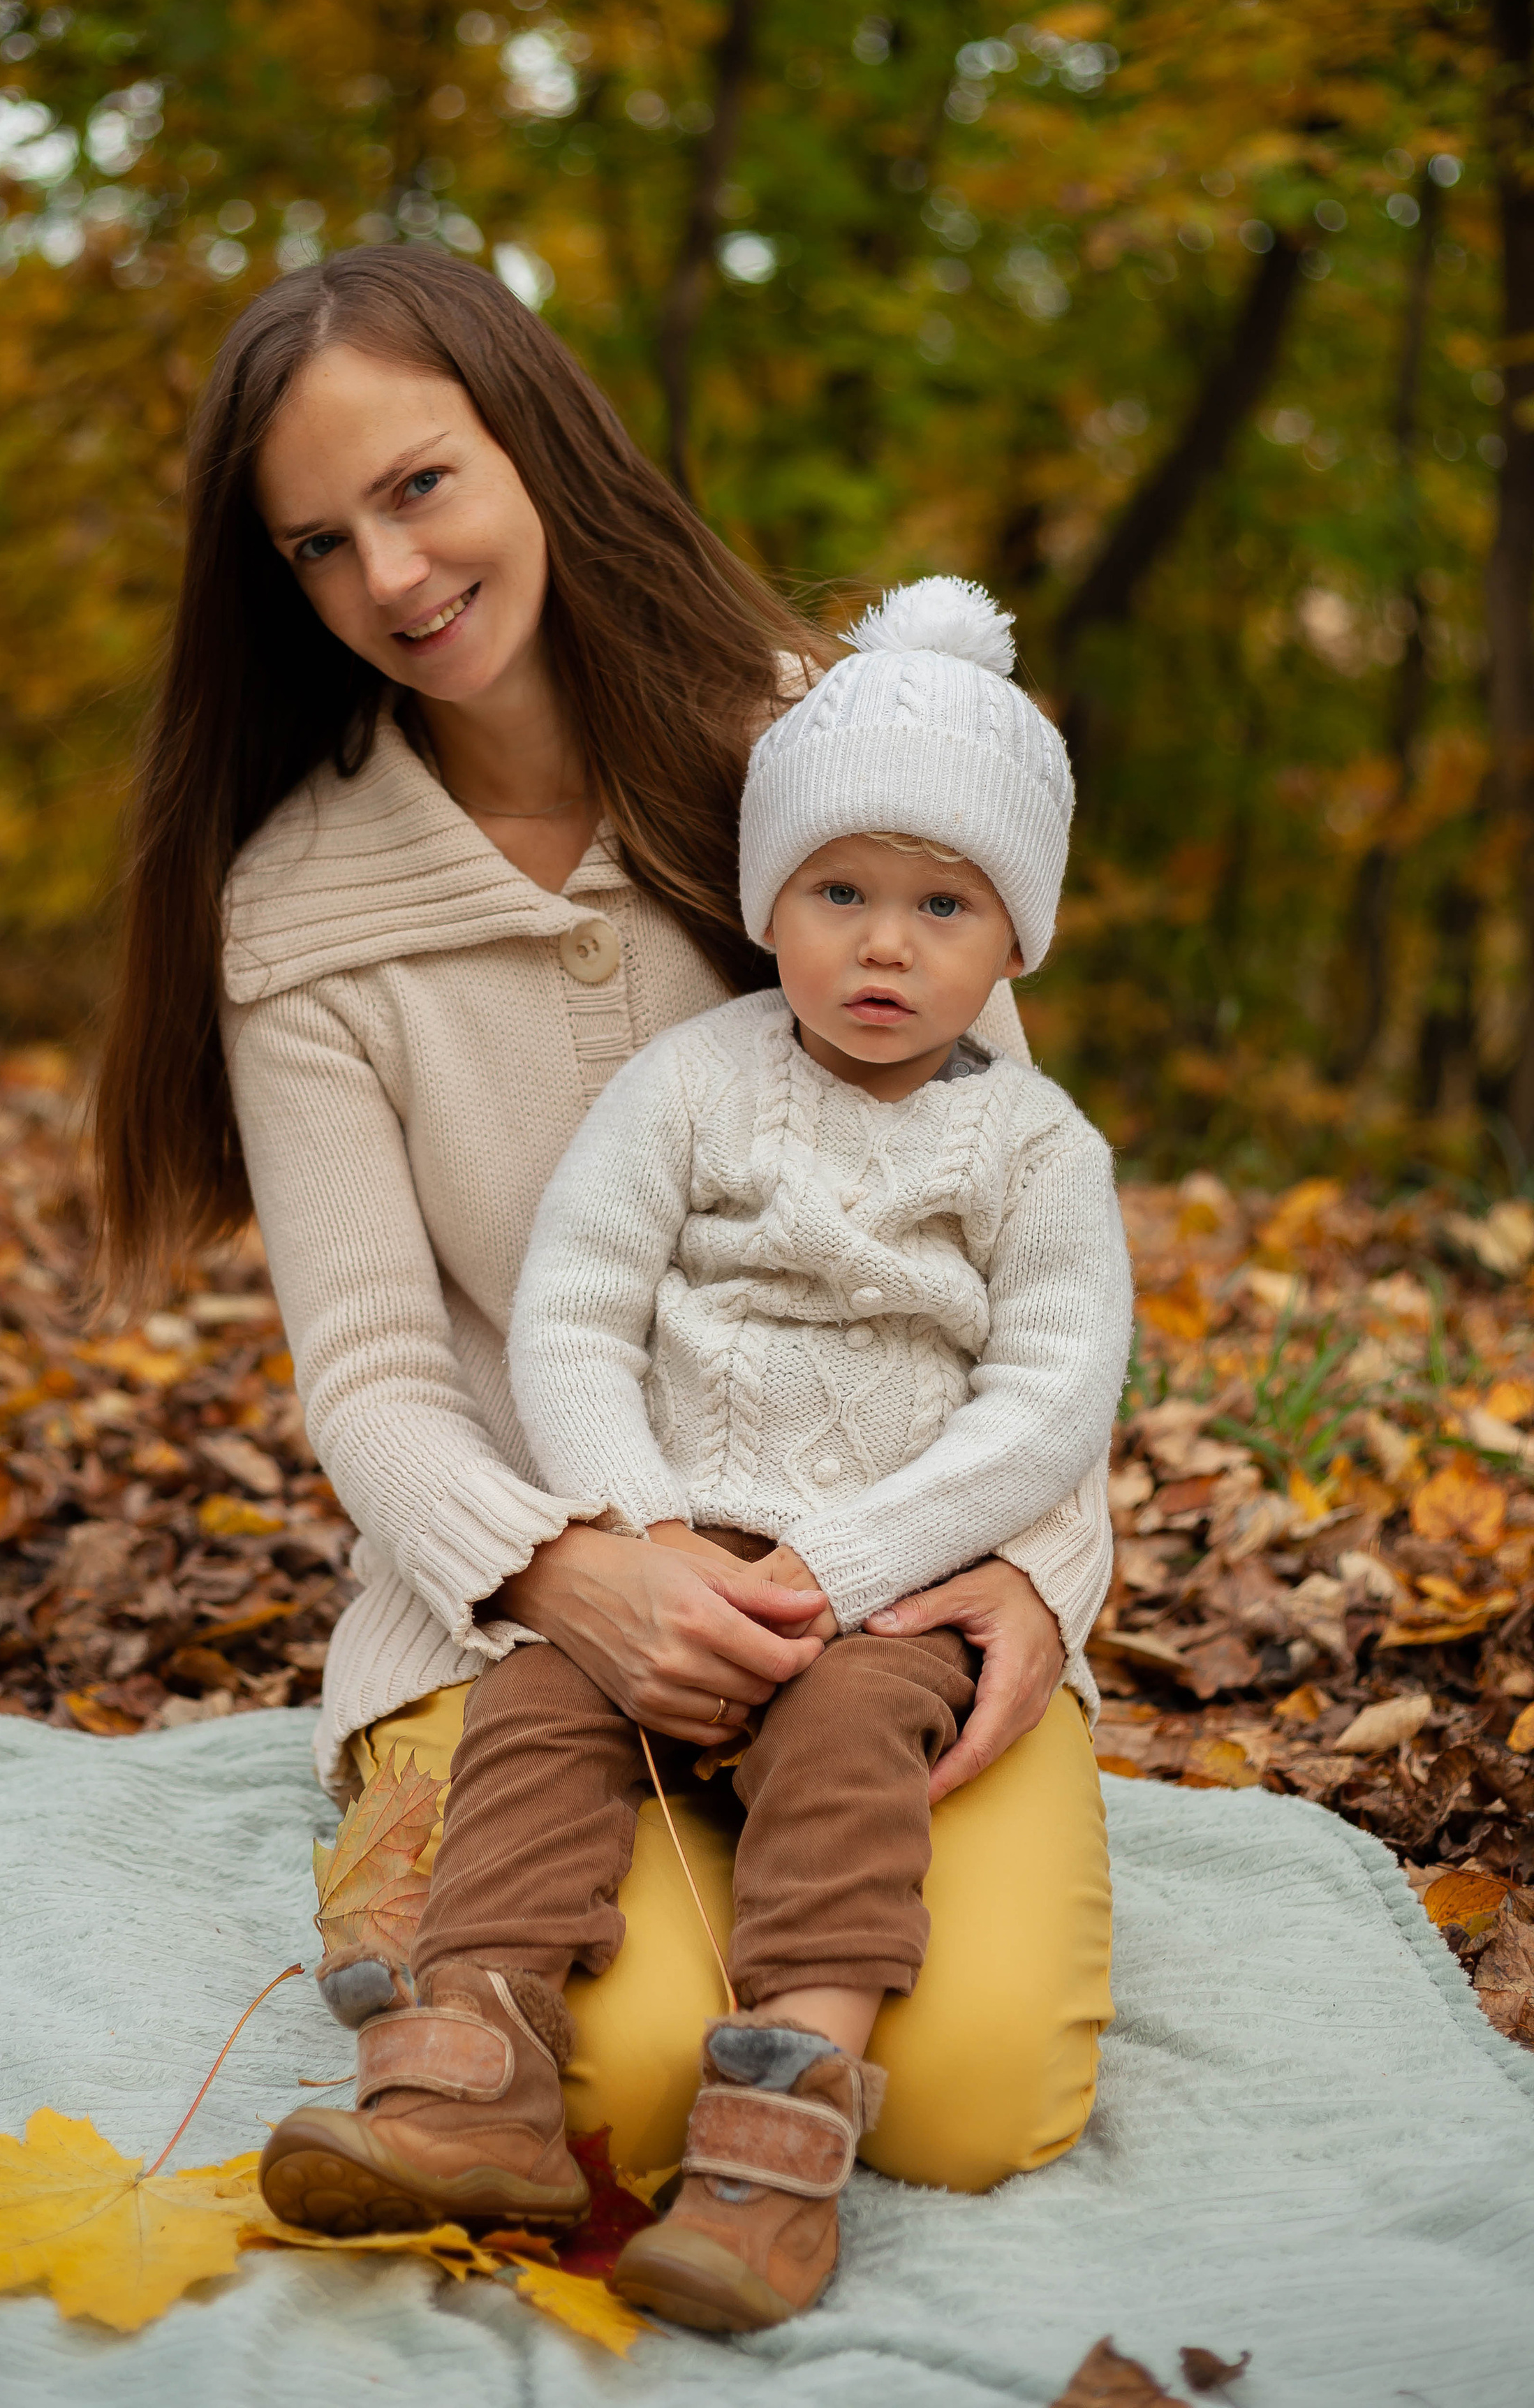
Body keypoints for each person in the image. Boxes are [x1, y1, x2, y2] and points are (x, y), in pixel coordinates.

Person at [95, 242, 1114, 2215]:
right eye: (318, 544)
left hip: (886, 1584)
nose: (389, 577)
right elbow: (380, 1374)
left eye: (420, 487)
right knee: (623, 2094)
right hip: (532, 1617)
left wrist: (1034, 1571)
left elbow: (1032, 1241)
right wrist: (567, 1570)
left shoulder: (844, 761)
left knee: (970, 2099)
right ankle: (442, 1910)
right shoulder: (297, 911)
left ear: (533, 443)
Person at [253, 580, 1130, 2330]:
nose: (882, 947)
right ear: (766, 905)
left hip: (879, 1584)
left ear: (1012, 943)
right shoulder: (690, 1082)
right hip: (664, 1543)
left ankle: (772, 2147)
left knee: (849, 1774)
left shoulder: (1034, 1149)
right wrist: (638, 1538)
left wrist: (866, 1572)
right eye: (836, 896)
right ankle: (470, 2066)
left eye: (939, 906)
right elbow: (576, 1309)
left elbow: (1048, 1394)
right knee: (532, 1718)